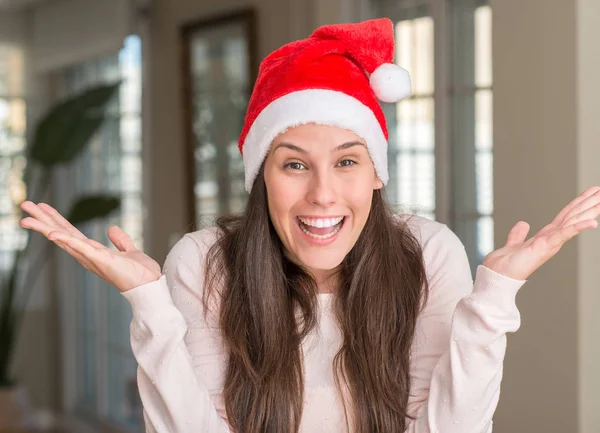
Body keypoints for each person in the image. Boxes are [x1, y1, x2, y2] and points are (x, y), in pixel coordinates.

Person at [19, 18, 599, 433]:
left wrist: (491, 302)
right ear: (261, 177)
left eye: (347, 161)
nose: (322, 194)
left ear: (376, 173)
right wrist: (149, 304)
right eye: (294, 164)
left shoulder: (429, 254)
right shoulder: (203, 264)